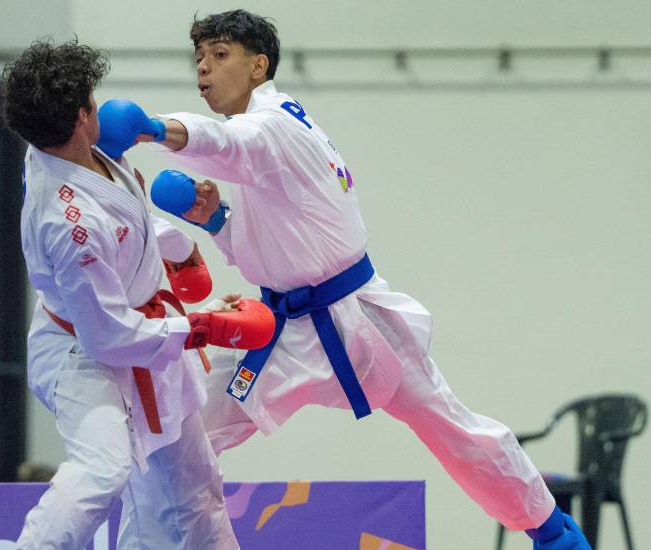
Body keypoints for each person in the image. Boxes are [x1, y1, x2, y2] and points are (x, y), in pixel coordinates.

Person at [95, 10, 592, 550]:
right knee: (182, 436)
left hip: (359, 324)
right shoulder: (268, 133)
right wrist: (218, 221)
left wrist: (152, 128)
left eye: (219, 55)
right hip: (281, 327)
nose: (204, 69)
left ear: (259, 65)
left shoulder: (273, 126)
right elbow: (288, 242)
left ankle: (557, 537)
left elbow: (224, 143)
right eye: (198, 58)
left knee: (453, 429)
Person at [0, 38, 273, 550]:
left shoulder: (64, 147)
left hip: (142, 333)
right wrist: (200, 326)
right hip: (86, 353)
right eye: (92, 99)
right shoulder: (70, 224)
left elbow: (130, 220)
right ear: (82, 116)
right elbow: (107, 335)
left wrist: (179, 249)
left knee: (197, 488)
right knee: (102, 469)